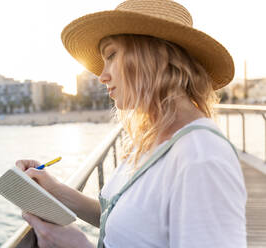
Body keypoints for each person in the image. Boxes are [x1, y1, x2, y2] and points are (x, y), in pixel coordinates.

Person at [17, 0, 247, 247]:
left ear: (156, 55)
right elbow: (126, 222)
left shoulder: (202, 158)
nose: (102, 76)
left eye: (112, 55)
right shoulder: (152, 138)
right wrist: (56, 190)